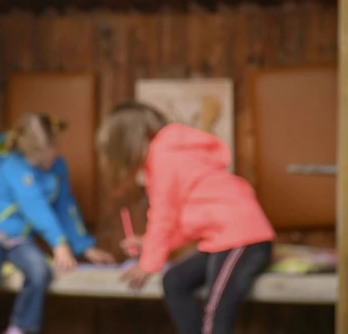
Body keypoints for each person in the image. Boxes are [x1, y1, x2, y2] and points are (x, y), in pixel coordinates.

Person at [95, 101, 275, 334]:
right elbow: (182, 222)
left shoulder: (164, 157)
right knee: (175, 281)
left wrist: (148, 263)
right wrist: (149, 244)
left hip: (243, 240)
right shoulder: (168, 155)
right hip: (223, 240)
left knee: (216, 312)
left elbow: (163, 216)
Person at [0, 113, 115, 334]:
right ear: (26, 151)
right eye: (41, 157)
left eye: (52, 149)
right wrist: (59, 243)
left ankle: (21, 327)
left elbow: (65, 207)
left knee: (40, 271)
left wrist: (84, 246)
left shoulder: (57, 167)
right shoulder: (12, 166)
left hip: (19, 238)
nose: (50, 157)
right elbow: (34, 205)